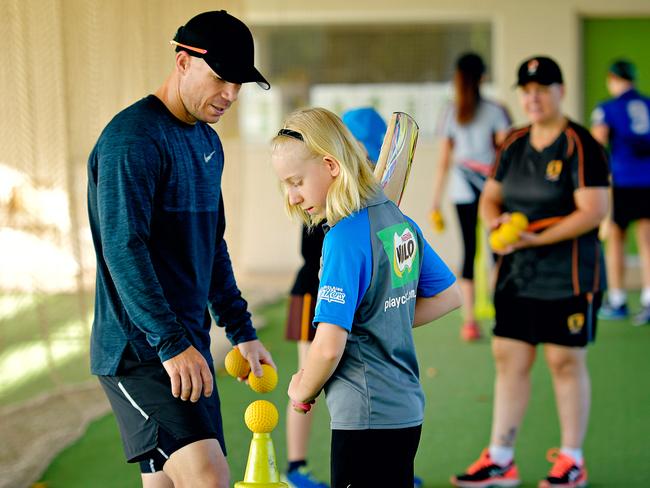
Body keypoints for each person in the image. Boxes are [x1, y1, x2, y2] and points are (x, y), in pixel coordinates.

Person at [87, 11, 275, 488]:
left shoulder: (208, 144)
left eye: (239, 84)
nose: (230, 95)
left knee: (168, 483)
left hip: (185, 345)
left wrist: (242, 331)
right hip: (141, 348)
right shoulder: (131, 140)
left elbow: (212, 246)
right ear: (183, 61)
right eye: (220, 79)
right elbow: (123, 249)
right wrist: (172, 346)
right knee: (209, 477)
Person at [271, 107, 462, 488]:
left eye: (296, 182)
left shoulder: (341, 238)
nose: (292, 197)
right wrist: (382, 317)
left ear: (330, 165)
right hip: (406, 410)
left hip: (364, 416)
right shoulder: (399, 223)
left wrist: (301, 389)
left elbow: (327, 348)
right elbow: (449, 296)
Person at [451, 56, 609, 488]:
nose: (533, 97)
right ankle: (501, 459)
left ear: (560, 91)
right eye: (526, 90)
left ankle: (572, 460)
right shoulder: (515, 141)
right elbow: (491, 197)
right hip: (517, 272)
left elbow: (595, 210)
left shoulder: (581, 144)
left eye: (542, 88)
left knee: (563, 360)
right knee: (509, 357)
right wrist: (495, 222)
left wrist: (540, 238)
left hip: (570, 273)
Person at [282, 107, 386, 488]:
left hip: (348, 301)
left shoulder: (362, 198)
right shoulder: (326, 194)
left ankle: (380, 467)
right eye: (363, 154)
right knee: (307, 381)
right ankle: (295, 468)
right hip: (314, 294)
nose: (367, 164)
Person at [430, 52, 511, 341]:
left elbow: (444, 161)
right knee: (497, 251)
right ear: (482, 77)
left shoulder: (450, 112)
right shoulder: (496, 110)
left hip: (461, 189)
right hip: (493, 188)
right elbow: (506, 155)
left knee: (469, 251)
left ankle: (469, 323)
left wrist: (435, 201)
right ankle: (503, 315)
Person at [591, 59, 650, 326]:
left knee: (616, 238)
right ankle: (648, 301)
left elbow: (596, 144)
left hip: (624, 179)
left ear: (612, 78)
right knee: (648, 241)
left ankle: (617, 299)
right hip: (648, 180)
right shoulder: (647, 104)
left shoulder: (607, 108)